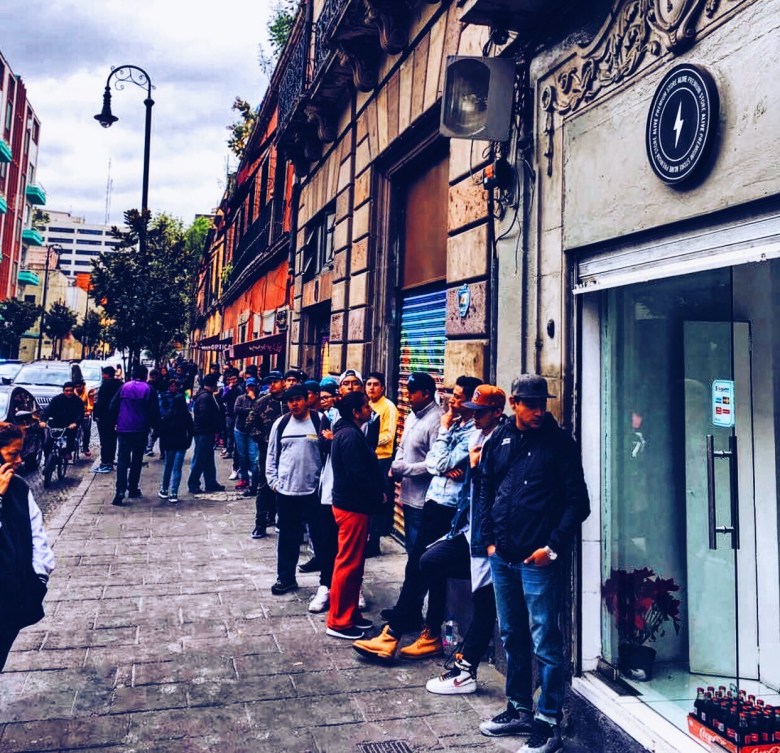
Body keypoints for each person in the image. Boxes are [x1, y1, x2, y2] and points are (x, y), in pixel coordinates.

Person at [476, 374, 590, 753]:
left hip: (537, 560)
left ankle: (548, 721)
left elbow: (578, 503)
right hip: (503, 557)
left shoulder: (559, 444)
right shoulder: (500, 438)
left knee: (545, 640)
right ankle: (519, 708)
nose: (539, 410)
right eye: (531, 404)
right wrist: (489, 541)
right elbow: (486, 487)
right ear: (514, 403)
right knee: (512, 634)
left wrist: (551, 548)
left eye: (543, 403)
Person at [353, 374, 480, 662]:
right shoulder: (455, 425)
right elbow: (436, 463)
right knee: (426, 568)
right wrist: (442, 462)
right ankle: (429, 633)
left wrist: (444, 438)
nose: (452, 400)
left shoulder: (463, 430)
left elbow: (437, 462)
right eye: (452, 394)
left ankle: (393, 634)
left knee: (419, 567)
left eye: (458, 396)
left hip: (447, 507)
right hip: (434, 501)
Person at [424, 385, 507, 695]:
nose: (474, 416)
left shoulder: (500, 441)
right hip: (468, 530)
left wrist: (473, 467)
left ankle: (466, 669)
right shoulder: (475, 437)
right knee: (429, 561)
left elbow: (496, 488)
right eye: (473, 410)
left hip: (488, 536)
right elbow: (437, 465)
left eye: (480, 412)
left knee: (485, 602)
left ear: (497, 412)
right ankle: (466, 659)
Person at [325, 392, 385, 640]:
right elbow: (358, 475)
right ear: (355, 412)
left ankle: (350, 614)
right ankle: (338, 621)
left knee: (355, 563)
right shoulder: (349, 436)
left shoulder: (349, 432)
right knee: (348, 563)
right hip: (352, 506)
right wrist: (377, 495)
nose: (370, 410)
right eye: (366, 407)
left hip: (354, 505)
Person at [0, 423, 55, 671]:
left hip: (12, 597)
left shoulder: (20, 487)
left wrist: (39, 577)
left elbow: (37, 533)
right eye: (13, 454)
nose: (20, 460)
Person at [265, 384, 323, 595]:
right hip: (287, 492)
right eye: (290, 401)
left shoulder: (319, 421)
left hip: (313, 492)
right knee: (288, 538)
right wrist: (273, 481)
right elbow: (271, 455)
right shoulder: (281, 424)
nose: (294, 404)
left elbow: (328, 453)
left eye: (298, 399)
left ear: (307, 399)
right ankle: (286, 578)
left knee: (321, 537)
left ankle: (327, 583)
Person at [110, 364, 159, 507]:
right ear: (145, 375)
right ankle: (132, 488)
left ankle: (120, 490)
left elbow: (113, 406)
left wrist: (116, 421)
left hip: (124, 428)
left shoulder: (124, 387)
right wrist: (155, 427)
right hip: (140, 429)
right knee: (137, 459)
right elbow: (154, 411)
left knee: (122, 459)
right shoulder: (149, 389)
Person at [245, 370, 285, 538]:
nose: (272, 385)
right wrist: (263, 439)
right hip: (267, 451)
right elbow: (249, 424)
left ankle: (281, 520)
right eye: (270, 382)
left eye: (275, 381)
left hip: (287, 451)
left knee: (286, 487)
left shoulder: (290, 401)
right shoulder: (262, 402)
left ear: (283, 382)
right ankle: (260, 523)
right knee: (264, 486)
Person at [364, 371, 398, 556]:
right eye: (369, 384)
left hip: (382, 459)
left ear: (383, 388)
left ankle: (374, 542)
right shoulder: (366, 405)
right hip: (368, 458)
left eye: (376, 384)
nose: (372, 388)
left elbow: (388, 436)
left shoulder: (388, 407)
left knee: (378, 501)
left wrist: (366, 442)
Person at [187, 373, 225, 494]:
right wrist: (213, 427)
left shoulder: (206, 395)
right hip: (204, 432)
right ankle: (193, 483)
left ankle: (210, 482)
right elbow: (204, 415)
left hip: (206, 431)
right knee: (200, 458)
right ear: (212, 384)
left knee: (208, 458)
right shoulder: (205, 397)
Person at [157, 379, 193, 504]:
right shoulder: (186, 415)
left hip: (169, 444)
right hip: (181, 443)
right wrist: (188, 442)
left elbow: (162, 431)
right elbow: (191, 430)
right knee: (177, 468)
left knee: (168, 466)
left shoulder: (168, 415)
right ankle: (174, 493)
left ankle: (164, 489)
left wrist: (163, 444)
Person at [42, 381, 85, 461]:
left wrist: (75, 423)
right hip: (56, 424)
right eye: (67, 391)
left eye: (71, 391)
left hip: (70, 425)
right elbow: (48, 410)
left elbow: (80, 414)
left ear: (73, 390)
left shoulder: (78, 401)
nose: (69, 393)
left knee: (71, 436)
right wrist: (43, 420)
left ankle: (68, 451)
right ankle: (47, 460)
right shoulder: (56, 399)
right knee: (47, 442)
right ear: (63, 391)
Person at [92, 366, 122, 473]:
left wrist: (97, 415)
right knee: (112, 439)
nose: (103, 376)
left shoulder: (105, 385)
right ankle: (110, 460)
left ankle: (105, 462)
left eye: (104, 374)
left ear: (107, 374)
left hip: (104, 417)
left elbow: (100, 402)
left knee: (104, 441)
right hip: (116, 416)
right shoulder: (120, 384)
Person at [233, 378, 260, 494]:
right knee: (242, 456)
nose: (250, 388)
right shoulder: (240, 398)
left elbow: (258, 410)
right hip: (240, 430)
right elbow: (236, 409)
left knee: (254, 458)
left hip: (252, 432)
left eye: (252, 386)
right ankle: (244, 479)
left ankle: (255, 482)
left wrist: (253, 400)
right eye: (248, 386)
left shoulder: (259, 399)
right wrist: (250, 410)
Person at [73, 379, 94, 459]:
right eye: (76, 387)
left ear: (83, 386)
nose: (78, 388)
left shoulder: (88, 391)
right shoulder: (73, 392)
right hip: (75, 412)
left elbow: (90, 403)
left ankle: (85, 447)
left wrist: (89, 412)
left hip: (85, 412)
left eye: (79, 386)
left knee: (86, 430)